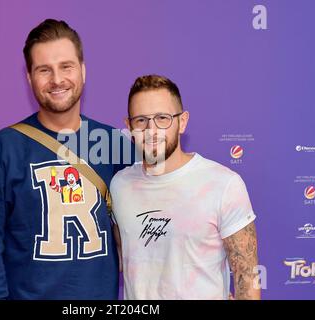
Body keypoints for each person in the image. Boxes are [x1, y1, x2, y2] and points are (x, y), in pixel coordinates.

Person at [0, 19, 132, 300]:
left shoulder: (115, 144)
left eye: (66, 66)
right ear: (29, 78)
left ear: (83, 71)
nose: (57, 79)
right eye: (44, 70)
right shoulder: (4, 147)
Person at [110, 75, 260, 300]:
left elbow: (246, 275)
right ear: (128, 125)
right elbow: (120, 256)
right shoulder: (120, 185)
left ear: (182, 121)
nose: (152, 130)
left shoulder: (224, 184)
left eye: (163, 118)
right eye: (141, 120)